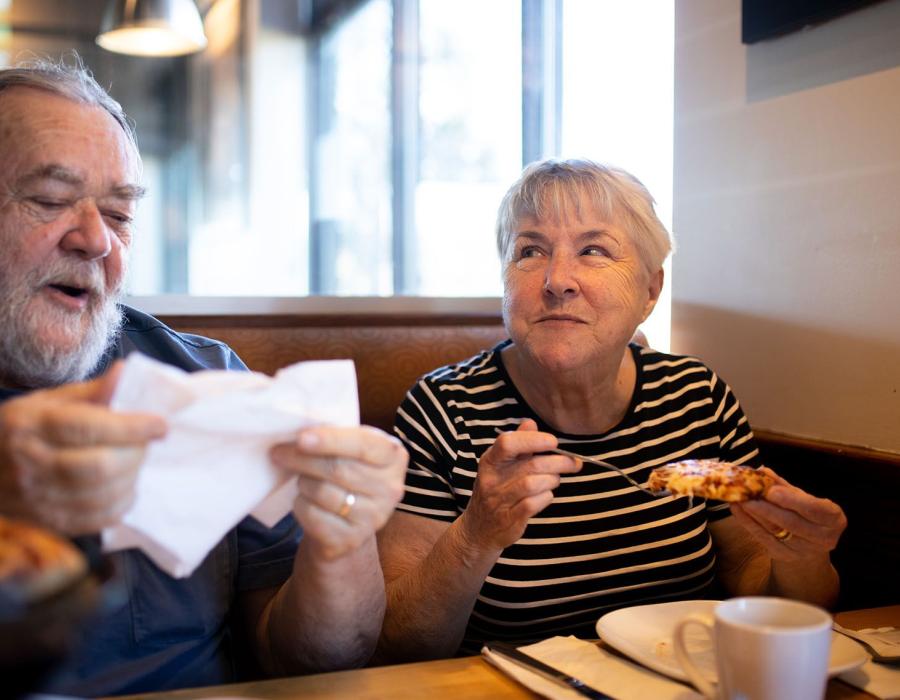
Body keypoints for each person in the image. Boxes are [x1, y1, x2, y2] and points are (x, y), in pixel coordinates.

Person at [0, 58, 406, 695]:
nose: (96, 240)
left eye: (120, 214)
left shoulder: (204, 378)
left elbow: (315, 660)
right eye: (50, 199)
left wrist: (341, 543)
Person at [375, 158, 847, 661]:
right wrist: (476, 535)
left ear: (649, 291)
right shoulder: (446, 409)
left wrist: (802, 557)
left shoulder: (696, 397)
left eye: (593, 250)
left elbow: (765, 592)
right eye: (529, 251)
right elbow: (400, 639)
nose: (558, 280)